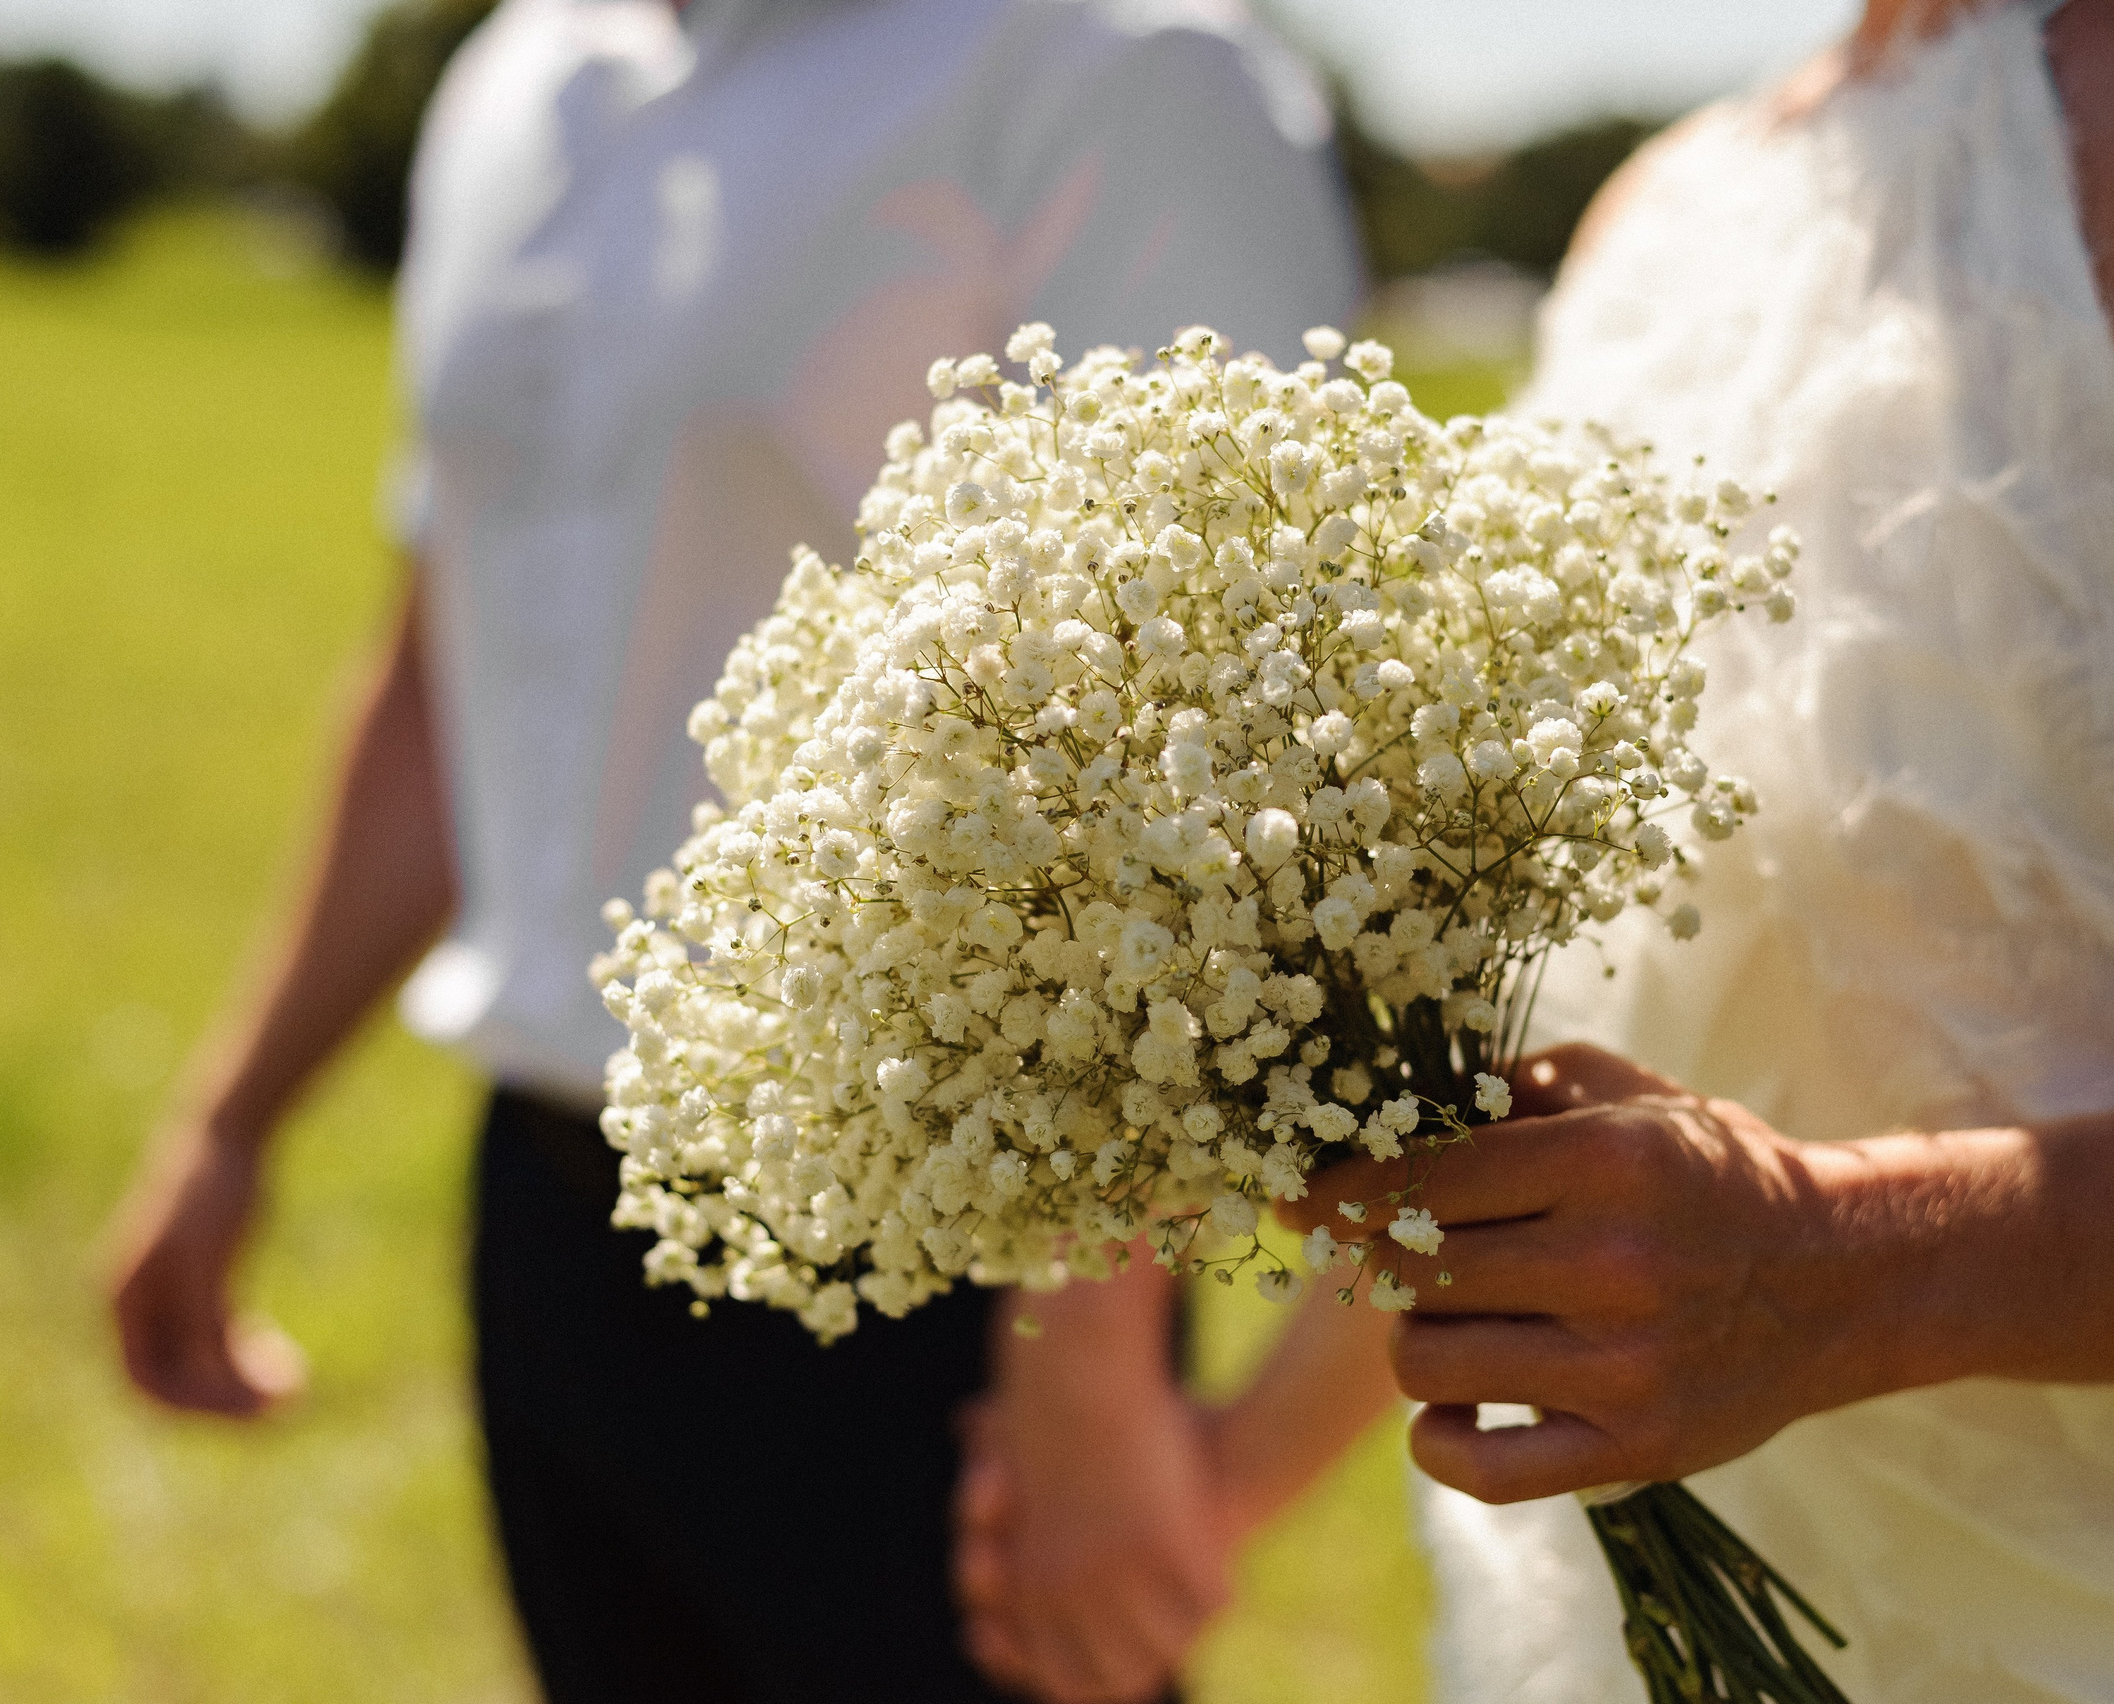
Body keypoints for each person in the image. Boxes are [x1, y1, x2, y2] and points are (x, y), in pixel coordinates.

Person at [997, 0, 2114, 1698]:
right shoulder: (1665, 217)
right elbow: (1576, 1073)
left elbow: (1760, 1251)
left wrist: (1860, 1269)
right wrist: (1216, 1485)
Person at [103, 0, 1359, 1698]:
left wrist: (1084, 1355)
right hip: (550, 1223)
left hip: (938, 1292)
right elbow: (446, 660)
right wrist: (233, 1119)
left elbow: (1202, 739)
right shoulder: (513, 83)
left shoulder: (1120, 68)